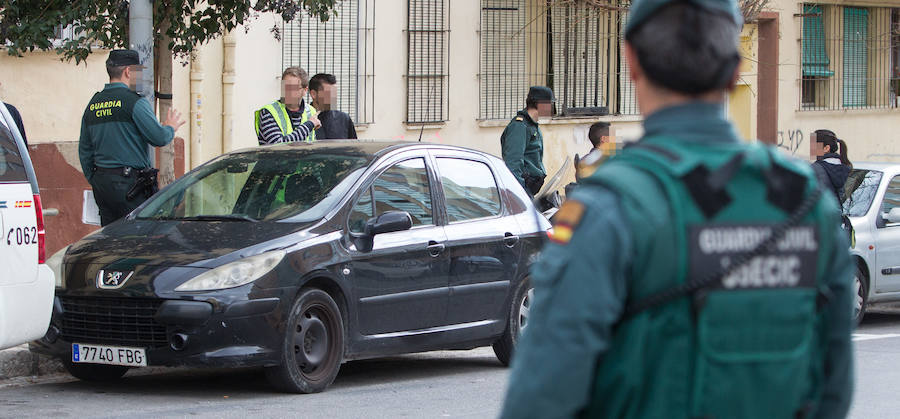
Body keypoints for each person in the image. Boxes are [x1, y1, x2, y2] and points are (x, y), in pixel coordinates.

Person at [500, 0, 854, 418]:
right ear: (735, 67)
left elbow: (541, 398)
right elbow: (834, 389)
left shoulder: (605, 211)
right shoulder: (805, 200)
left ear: (630, 62)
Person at [78, 49, 185, 226]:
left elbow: (84, 151)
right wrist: (170, 127)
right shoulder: (133, 102)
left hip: (103, 185)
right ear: (128, 71)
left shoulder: (93, 104)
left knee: (110, 237)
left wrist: (96, 180)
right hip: (131, 187)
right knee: (136, 236)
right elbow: (158, 138)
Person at [500, 86, 554, 195]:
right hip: (523, 190)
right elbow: (513, 162)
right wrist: (519, 193)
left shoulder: (532, 125)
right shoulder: (519, 126)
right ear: (540, 104)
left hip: (530, 189)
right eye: (550, 104)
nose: (552, 108)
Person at [255, 67, 321, 145]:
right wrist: (309, 125)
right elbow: (279, 146)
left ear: (305, 90)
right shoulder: (269, 112)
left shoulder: (311, 111)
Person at [308, 73, 357, 140]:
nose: (333, 97)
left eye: (335, 93)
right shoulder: (303, 118)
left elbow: (353, 147)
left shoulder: (344, 119)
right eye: (329, 93)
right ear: (313, 94)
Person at [811, 129, 852, 204]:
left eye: (814, 146)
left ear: (826, 148)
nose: (812, 149)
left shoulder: (816, 169)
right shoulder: (845, 168)